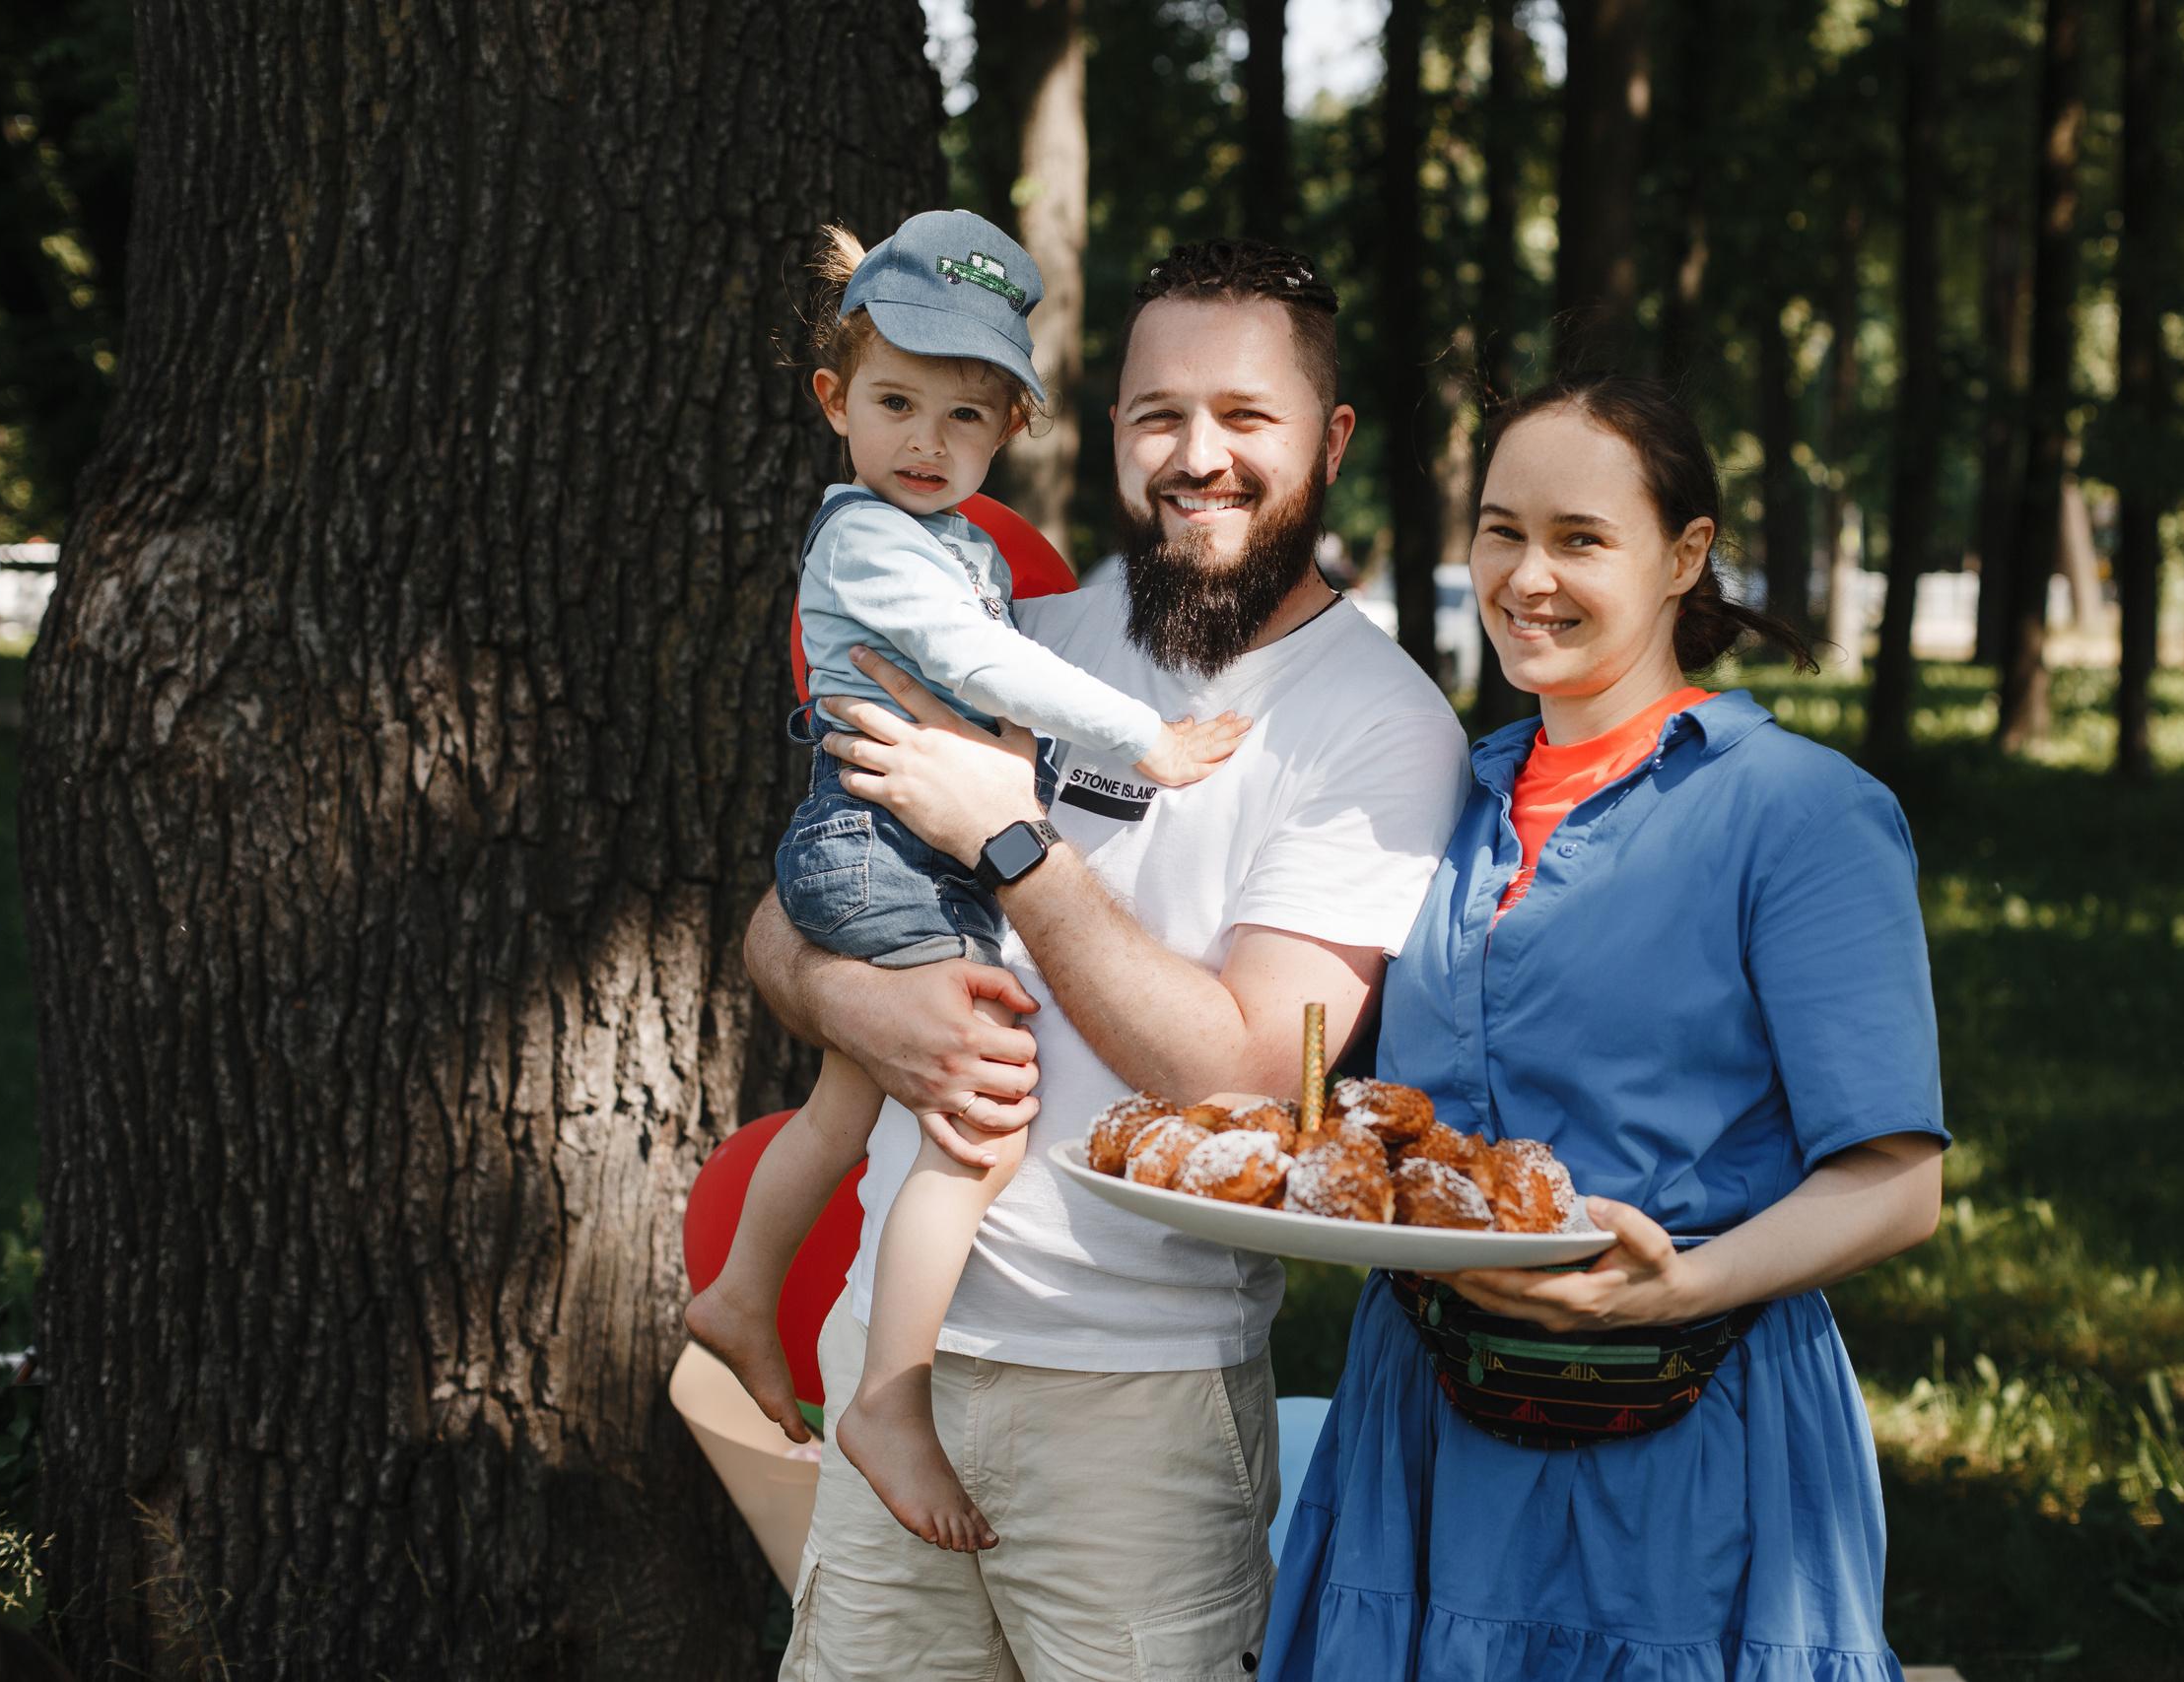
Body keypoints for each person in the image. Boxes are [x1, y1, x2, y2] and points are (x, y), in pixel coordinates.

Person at [743, 237, 1470, 1680]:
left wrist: (1016, 840)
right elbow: (787, 916)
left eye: (1246, 418)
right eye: (1158, 415)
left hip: (1136, 1400)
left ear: (1328, 440)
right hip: (897, 1345)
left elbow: (1262, 1076)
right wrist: (853, 1007)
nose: (1199, 456)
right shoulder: (1007, 633)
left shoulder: (1380, 726)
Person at [1262, 373, 1947, 1681]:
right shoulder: (1437, 800)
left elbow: (1897, 1185)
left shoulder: (1802, 815)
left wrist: (1678, 1284)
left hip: (1684, 1439)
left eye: (1582, 538)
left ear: (1686, 555)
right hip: (1423, 1424)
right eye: (1501, 529)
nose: (1528, 578)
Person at [683, 209, 1251, 1553]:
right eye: (895, 404)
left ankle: (741, 1292)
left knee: (845, 1102)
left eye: (966, 418)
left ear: (1011, 429)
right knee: (983, 1111)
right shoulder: (879, 541)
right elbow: (991, 674)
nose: (927, 444)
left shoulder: (954, 541)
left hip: (887, 841)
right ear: (834, 400)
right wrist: (1147, 742)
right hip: (877, 847)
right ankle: (888, 1394)